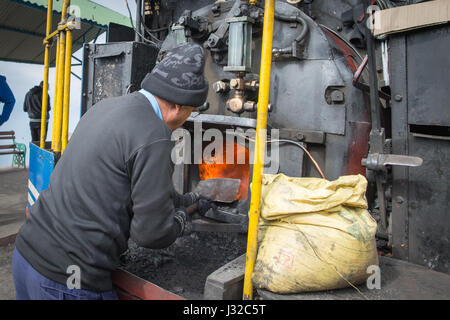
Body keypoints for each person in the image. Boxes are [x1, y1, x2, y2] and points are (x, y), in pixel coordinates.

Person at [12, 43, 211, 300]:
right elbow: (151, 234)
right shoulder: (156, 135)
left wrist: (187, 200)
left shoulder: (107, 107)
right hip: (68, 280)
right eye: (191, 113)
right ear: (178, 107)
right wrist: (183, 219)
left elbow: (126, 181)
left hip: (27, 255)